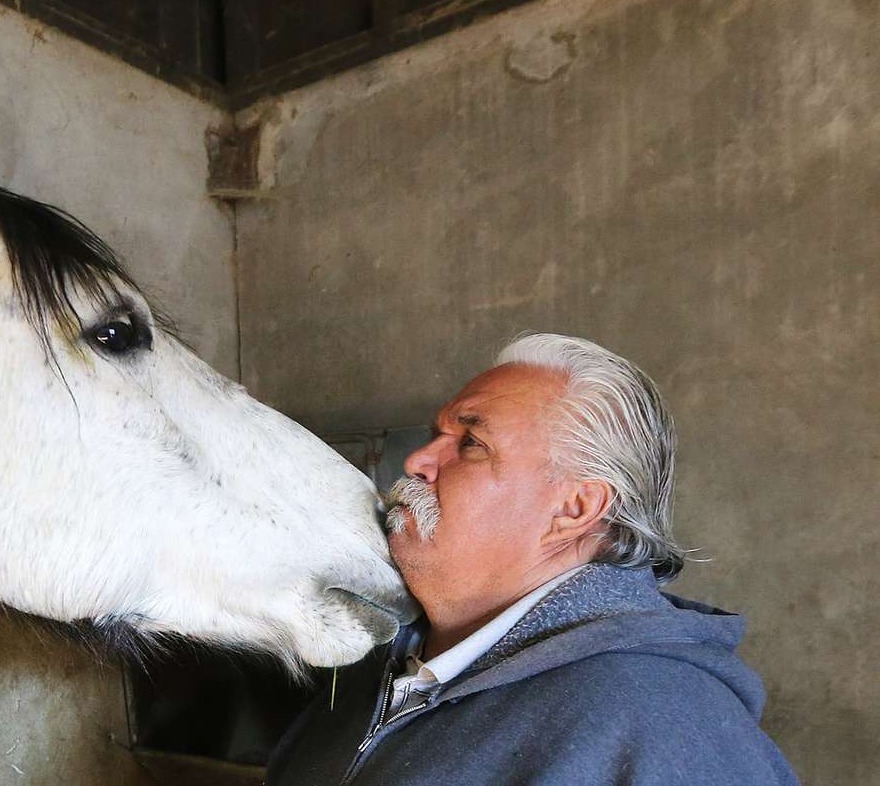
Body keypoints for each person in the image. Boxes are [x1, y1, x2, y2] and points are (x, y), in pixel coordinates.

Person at [268, 333, 799, 785]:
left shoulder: (668, 727)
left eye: (471, 442)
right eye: (438, 435)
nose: (418, 460)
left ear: (574, 509)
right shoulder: (374, 673)